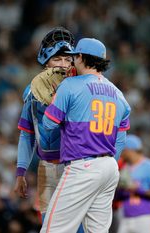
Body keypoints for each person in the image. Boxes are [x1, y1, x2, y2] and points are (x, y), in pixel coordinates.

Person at [41, 38, 131, 233]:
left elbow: (48, 124)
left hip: (82, 167)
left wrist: (54, 97)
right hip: (109, 168)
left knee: (52, 230)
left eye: (74, 57)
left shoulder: (70, 85)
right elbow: (121, 140)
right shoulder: (119, 95)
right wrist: (104, 164)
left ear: (80, 57)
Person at [13, 27, 75, 218]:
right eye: (57, 58)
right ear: (46, 62)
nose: (63, 64)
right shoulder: (32, 93)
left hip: (75, 166)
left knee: (77, 224)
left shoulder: (81, 89)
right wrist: (20, 171)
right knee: (49, 223)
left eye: (67, 59)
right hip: (46, 165)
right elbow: (27, 133)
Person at [116, 134, 150, 233]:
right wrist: (122, 190)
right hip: (125, 216)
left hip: (146, 217)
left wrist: (139, 190)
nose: (121, 153)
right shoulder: (123, 168)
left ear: (130, 150)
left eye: (123, 150)